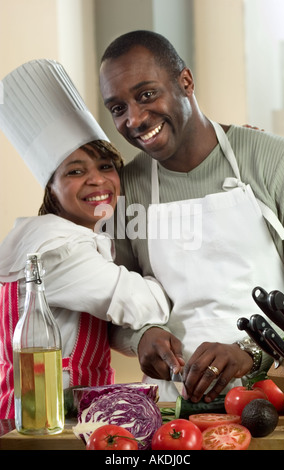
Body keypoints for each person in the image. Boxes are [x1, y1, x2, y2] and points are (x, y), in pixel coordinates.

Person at [99, 30, 284, 402]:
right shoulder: (125, 190)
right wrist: (141, 336)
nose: (135, 119)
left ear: (185, 82)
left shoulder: (278, 161)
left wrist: (251, 351)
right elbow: (113, 309)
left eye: (146, 94)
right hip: (174, 410)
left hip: (277, 396)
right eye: (117, 108)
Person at [0, 59, 170, 419]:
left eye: (106, 167)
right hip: (44, 421)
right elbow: (141, 305)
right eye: (76, 172)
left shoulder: (52, 235)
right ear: (51, 186)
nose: (97, 181)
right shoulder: (56, 251)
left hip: (56, 415)